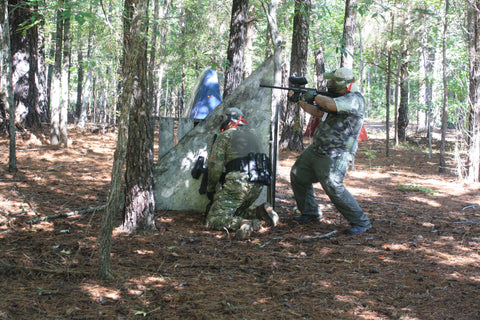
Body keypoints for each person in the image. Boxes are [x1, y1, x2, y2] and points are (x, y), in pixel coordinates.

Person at [289, 67, 371, 235]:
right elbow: (319, 111)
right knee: (298, 175)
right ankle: (310, 212)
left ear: (342, 84)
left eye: (332, 81)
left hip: (336, 153)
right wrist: (300, 100)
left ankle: (361, 222)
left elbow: (328, 104)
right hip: (317, 149)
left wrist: (312, 95)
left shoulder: (354, 100)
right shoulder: (337, 97)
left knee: (333, 186)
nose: (329, 83)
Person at [205, 107, 279, 239]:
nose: (221, 122)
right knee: (236, 210)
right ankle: (260, 212)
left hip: (238, 184)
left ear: (230, 120)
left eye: (223, 118)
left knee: (213, 219)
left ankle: (246, 224)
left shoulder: (225, 136)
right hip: (257, 186)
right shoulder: (254, 136)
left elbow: (215, 166)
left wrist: (211, 188)